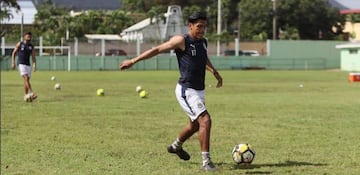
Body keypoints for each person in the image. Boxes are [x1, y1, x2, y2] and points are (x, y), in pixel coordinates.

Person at [120, 12, 223, 171]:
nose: (202, 30)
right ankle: (206, 162)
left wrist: (213, 71)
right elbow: (157, 49)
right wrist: (133, 61)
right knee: (205, 120)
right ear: (190, 26)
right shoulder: (181, 40)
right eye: (199, 26)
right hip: (186, 90)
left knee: (195, 125)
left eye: (204, 26)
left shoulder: (203, 42)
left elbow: (202, 59)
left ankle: (176, 146)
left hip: (199, 90)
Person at [12, 32, 37, 101]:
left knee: (26, 81)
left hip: (28, 65)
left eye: (30, 36)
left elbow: (33, 56)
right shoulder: (20, 44)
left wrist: (34, 65)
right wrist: (13, 62)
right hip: (21, 64)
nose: (29, 37)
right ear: (24, 37)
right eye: (28, 36)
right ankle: (32, 93)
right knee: (26, 78)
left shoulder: (31, 46)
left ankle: (26, 96)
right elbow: (14, 53)